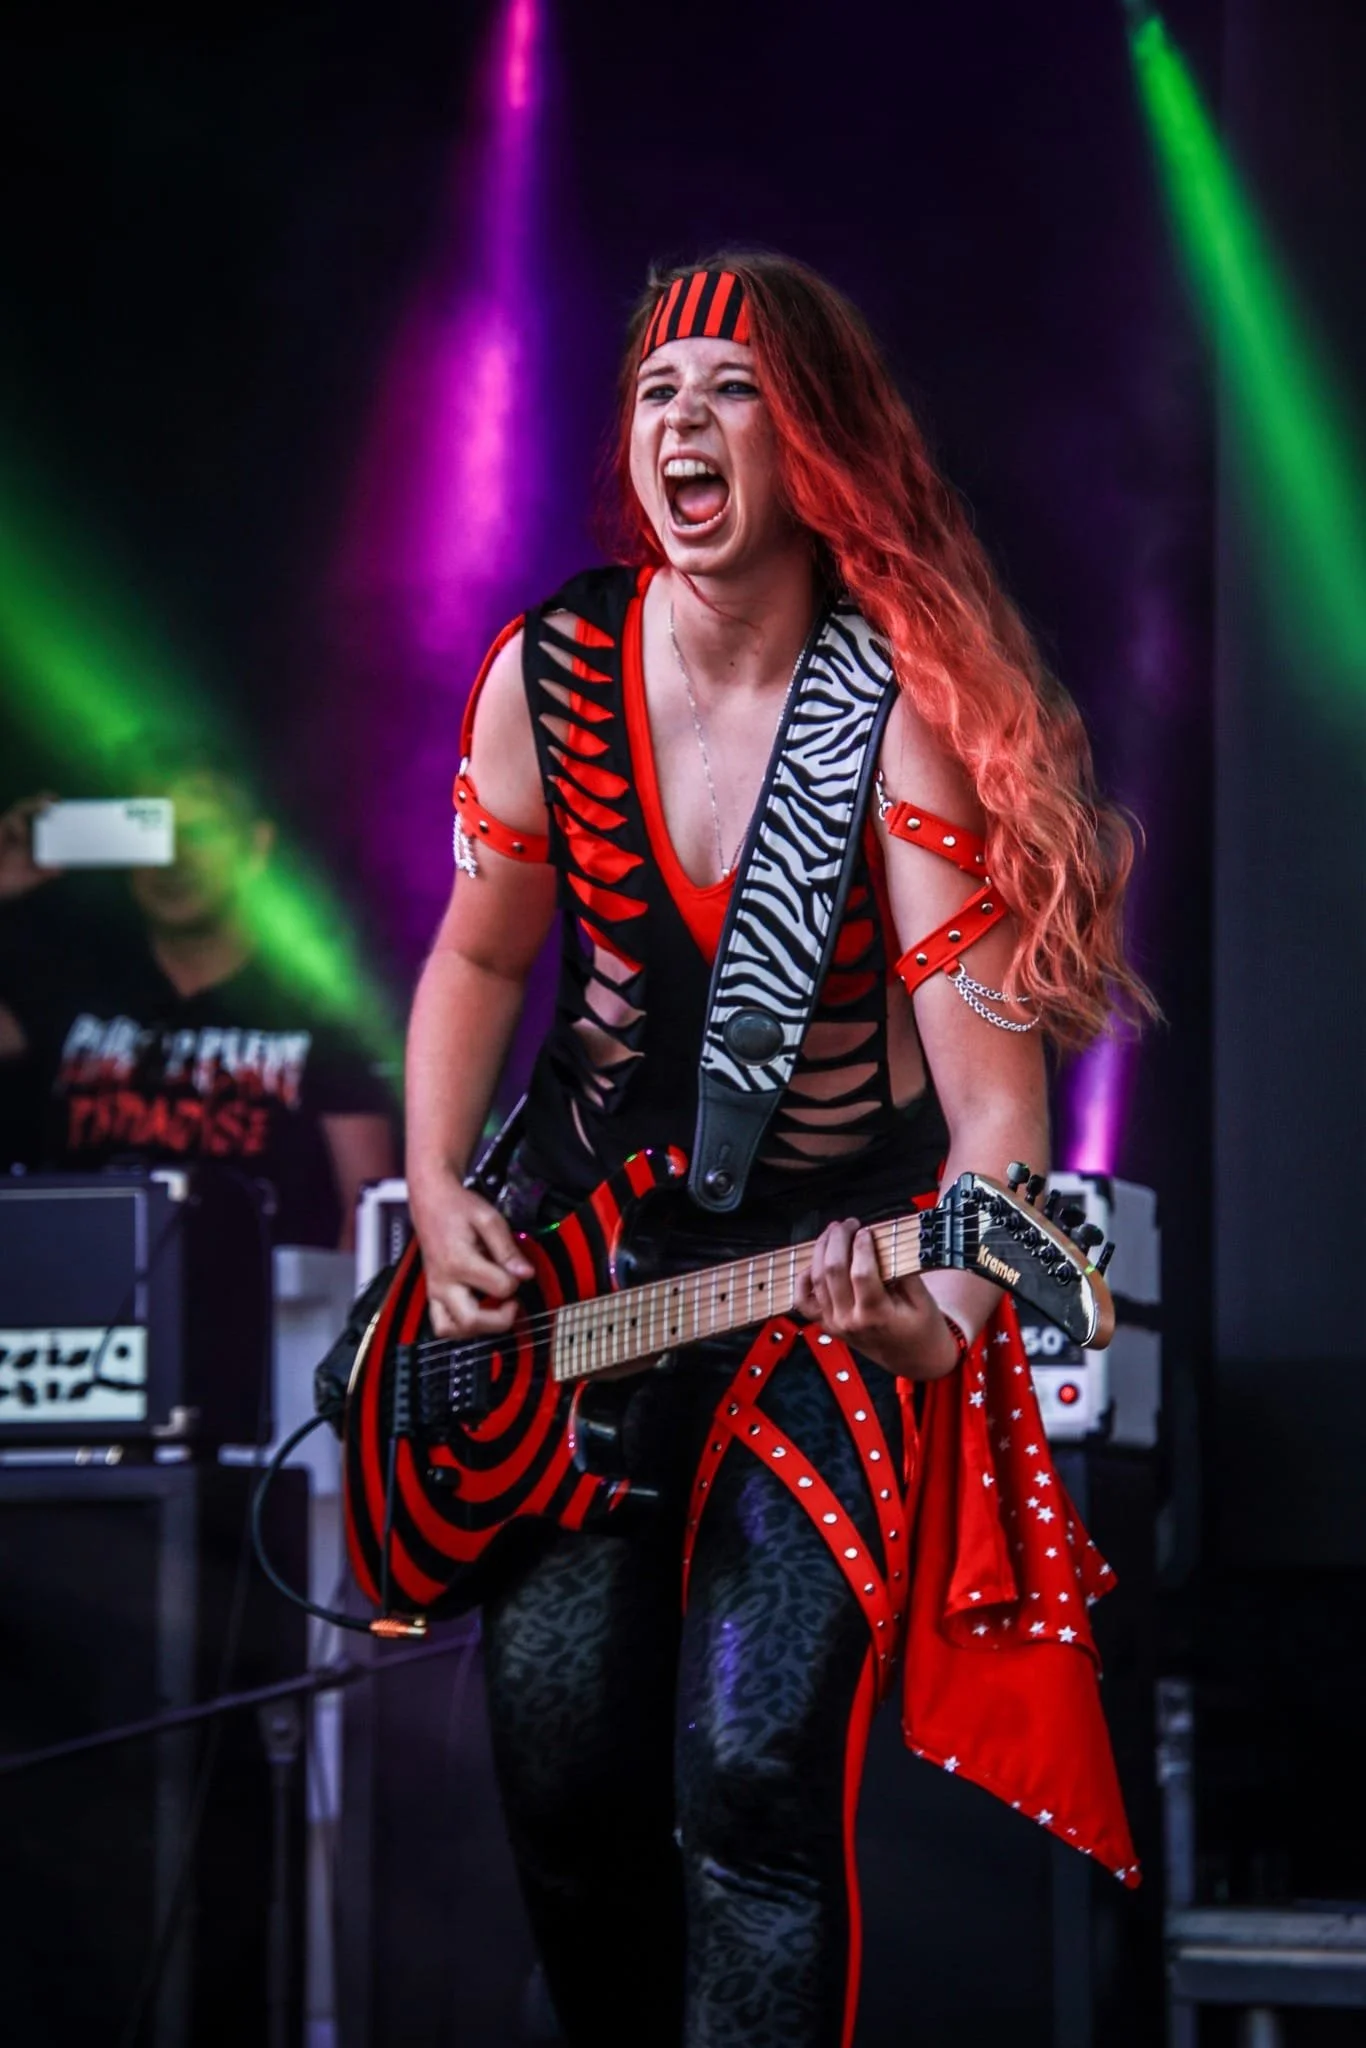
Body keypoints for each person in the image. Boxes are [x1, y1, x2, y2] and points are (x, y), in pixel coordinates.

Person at [404, 256, 1155, 2047]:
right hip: (569, 1301)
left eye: (730, 388)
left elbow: (996, 1124)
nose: (683, 421)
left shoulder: (896, 704)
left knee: (748, 1786)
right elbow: (480, 950)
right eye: (659, 389)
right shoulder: (552, 665)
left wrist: (943, 1303)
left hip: (811, 1305)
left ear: (806, 435)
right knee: (570, 1805)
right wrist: (440, 1192)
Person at [0, 746, 397, 1248]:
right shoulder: (71, 973)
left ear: (256, 848)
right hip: (81, 1296)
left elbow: (366, 1215)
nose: (176, 856)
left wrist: (344, 1325)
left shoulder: (320, 1006)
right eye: (155, 830)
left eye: (202, 832)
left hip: (268, 1315)